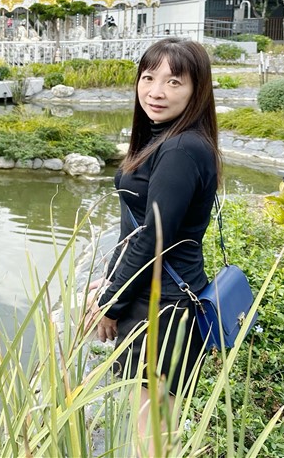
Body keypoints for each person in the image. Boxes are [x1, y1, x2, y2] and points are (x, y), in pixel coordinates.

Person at [85, 37, 221, 444]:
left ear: (198, 89)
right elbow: (142, 227)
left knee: (151, 434)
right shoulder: (169, 138)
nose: (156, 91)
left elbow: (152, 238)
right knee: (156, 425)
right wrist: (109, 279)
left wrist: (111, 302)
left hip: (159, 311)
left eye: (174, 81)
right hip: (158, 297)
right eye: (148, 77)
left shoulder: (180, 148)